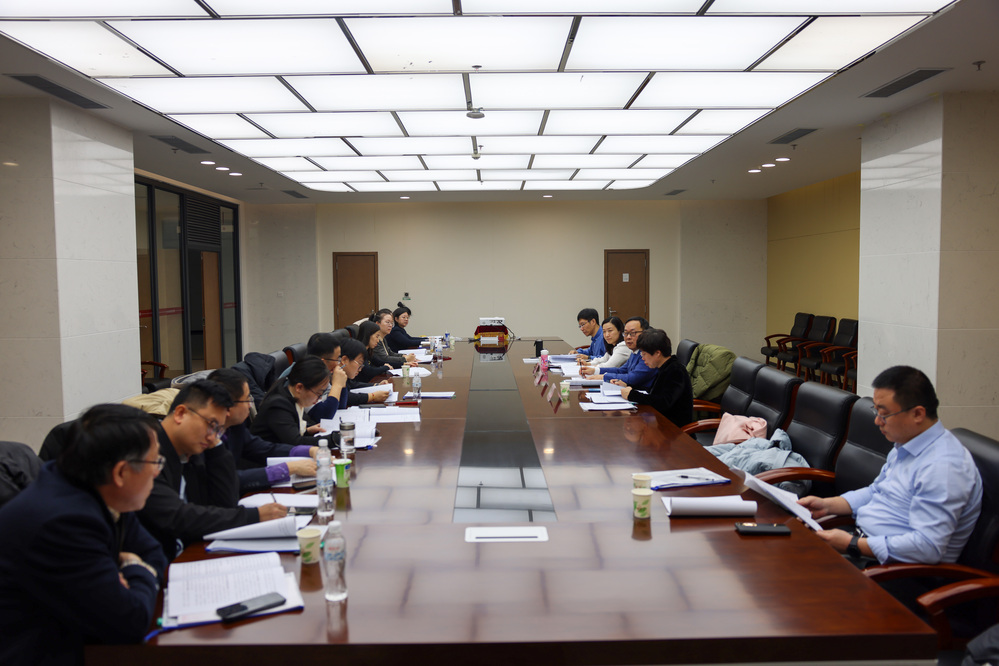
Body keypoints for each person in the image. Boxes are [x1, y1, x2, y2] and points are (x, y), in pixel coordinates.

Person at [0, 404, 167, 665]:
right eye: (155, 462)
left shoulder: (98, 488)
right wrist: (136, 566)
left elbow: (154, 553)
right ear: (121, 472)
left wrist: (127, 576)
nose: (157, 472)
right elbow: (129, 621)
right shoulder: (63, 522)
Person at [799, 365, 982, 566]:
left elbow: (927, 547)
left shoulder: (943, 467)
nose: (877, 421)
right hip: (862, 544)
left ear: (918, 414)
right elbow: (876, 491)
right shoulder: (905, 444)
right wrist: (827, 505)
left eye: (884, 414)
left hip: (896, 569)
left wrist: (852, 544)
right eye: (876, 411)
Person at [138, 380, 287, 560]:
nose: (212, 437)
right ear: (180, 413)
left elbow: (226, 505)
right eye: (211, 424)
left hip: (194, 552)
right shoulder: (144, 453)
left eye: (218, 429)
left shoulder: (195, 450)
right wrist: (254, 515)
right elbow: (177, 516)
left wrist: (216, 447)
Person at [208, 368, 317, 495]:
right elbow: (228, 479)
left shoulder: (235, 427)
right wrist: (288, 468)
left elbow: (265, 448)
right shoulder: (204, 437)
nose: (250, 405)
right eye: (247, 399)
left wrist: (309, 450)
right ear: (228, 405)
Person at [251, 356, 333, 448]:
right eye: (318, 393)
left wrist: (307, 431)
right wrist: (333, 439)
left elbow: (289, 435)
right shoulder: (278, 405)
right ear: (299, 387)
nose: (319, 398)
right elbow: (295, 443)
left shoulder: (293, 397)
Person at [620, 328, 693, 427]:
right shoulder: (664, 367)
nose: (643, 358)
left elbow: (663, 402)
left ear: (657, 353)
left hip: (672, 428)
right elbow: (653, 391)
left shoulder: (675, 371)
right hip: (658, 420)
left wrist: (632, 395)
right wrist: (628, 386)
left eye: (644, 354)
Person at [580, 316, 656, 390]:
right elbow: (621, 370)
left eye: (633, 333)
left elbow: (633, 378)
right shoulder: (634, 351)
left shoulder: (648, 353)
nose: (628, 337)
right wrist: (595, 371)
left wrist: (603, 376)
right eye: (626, 333)